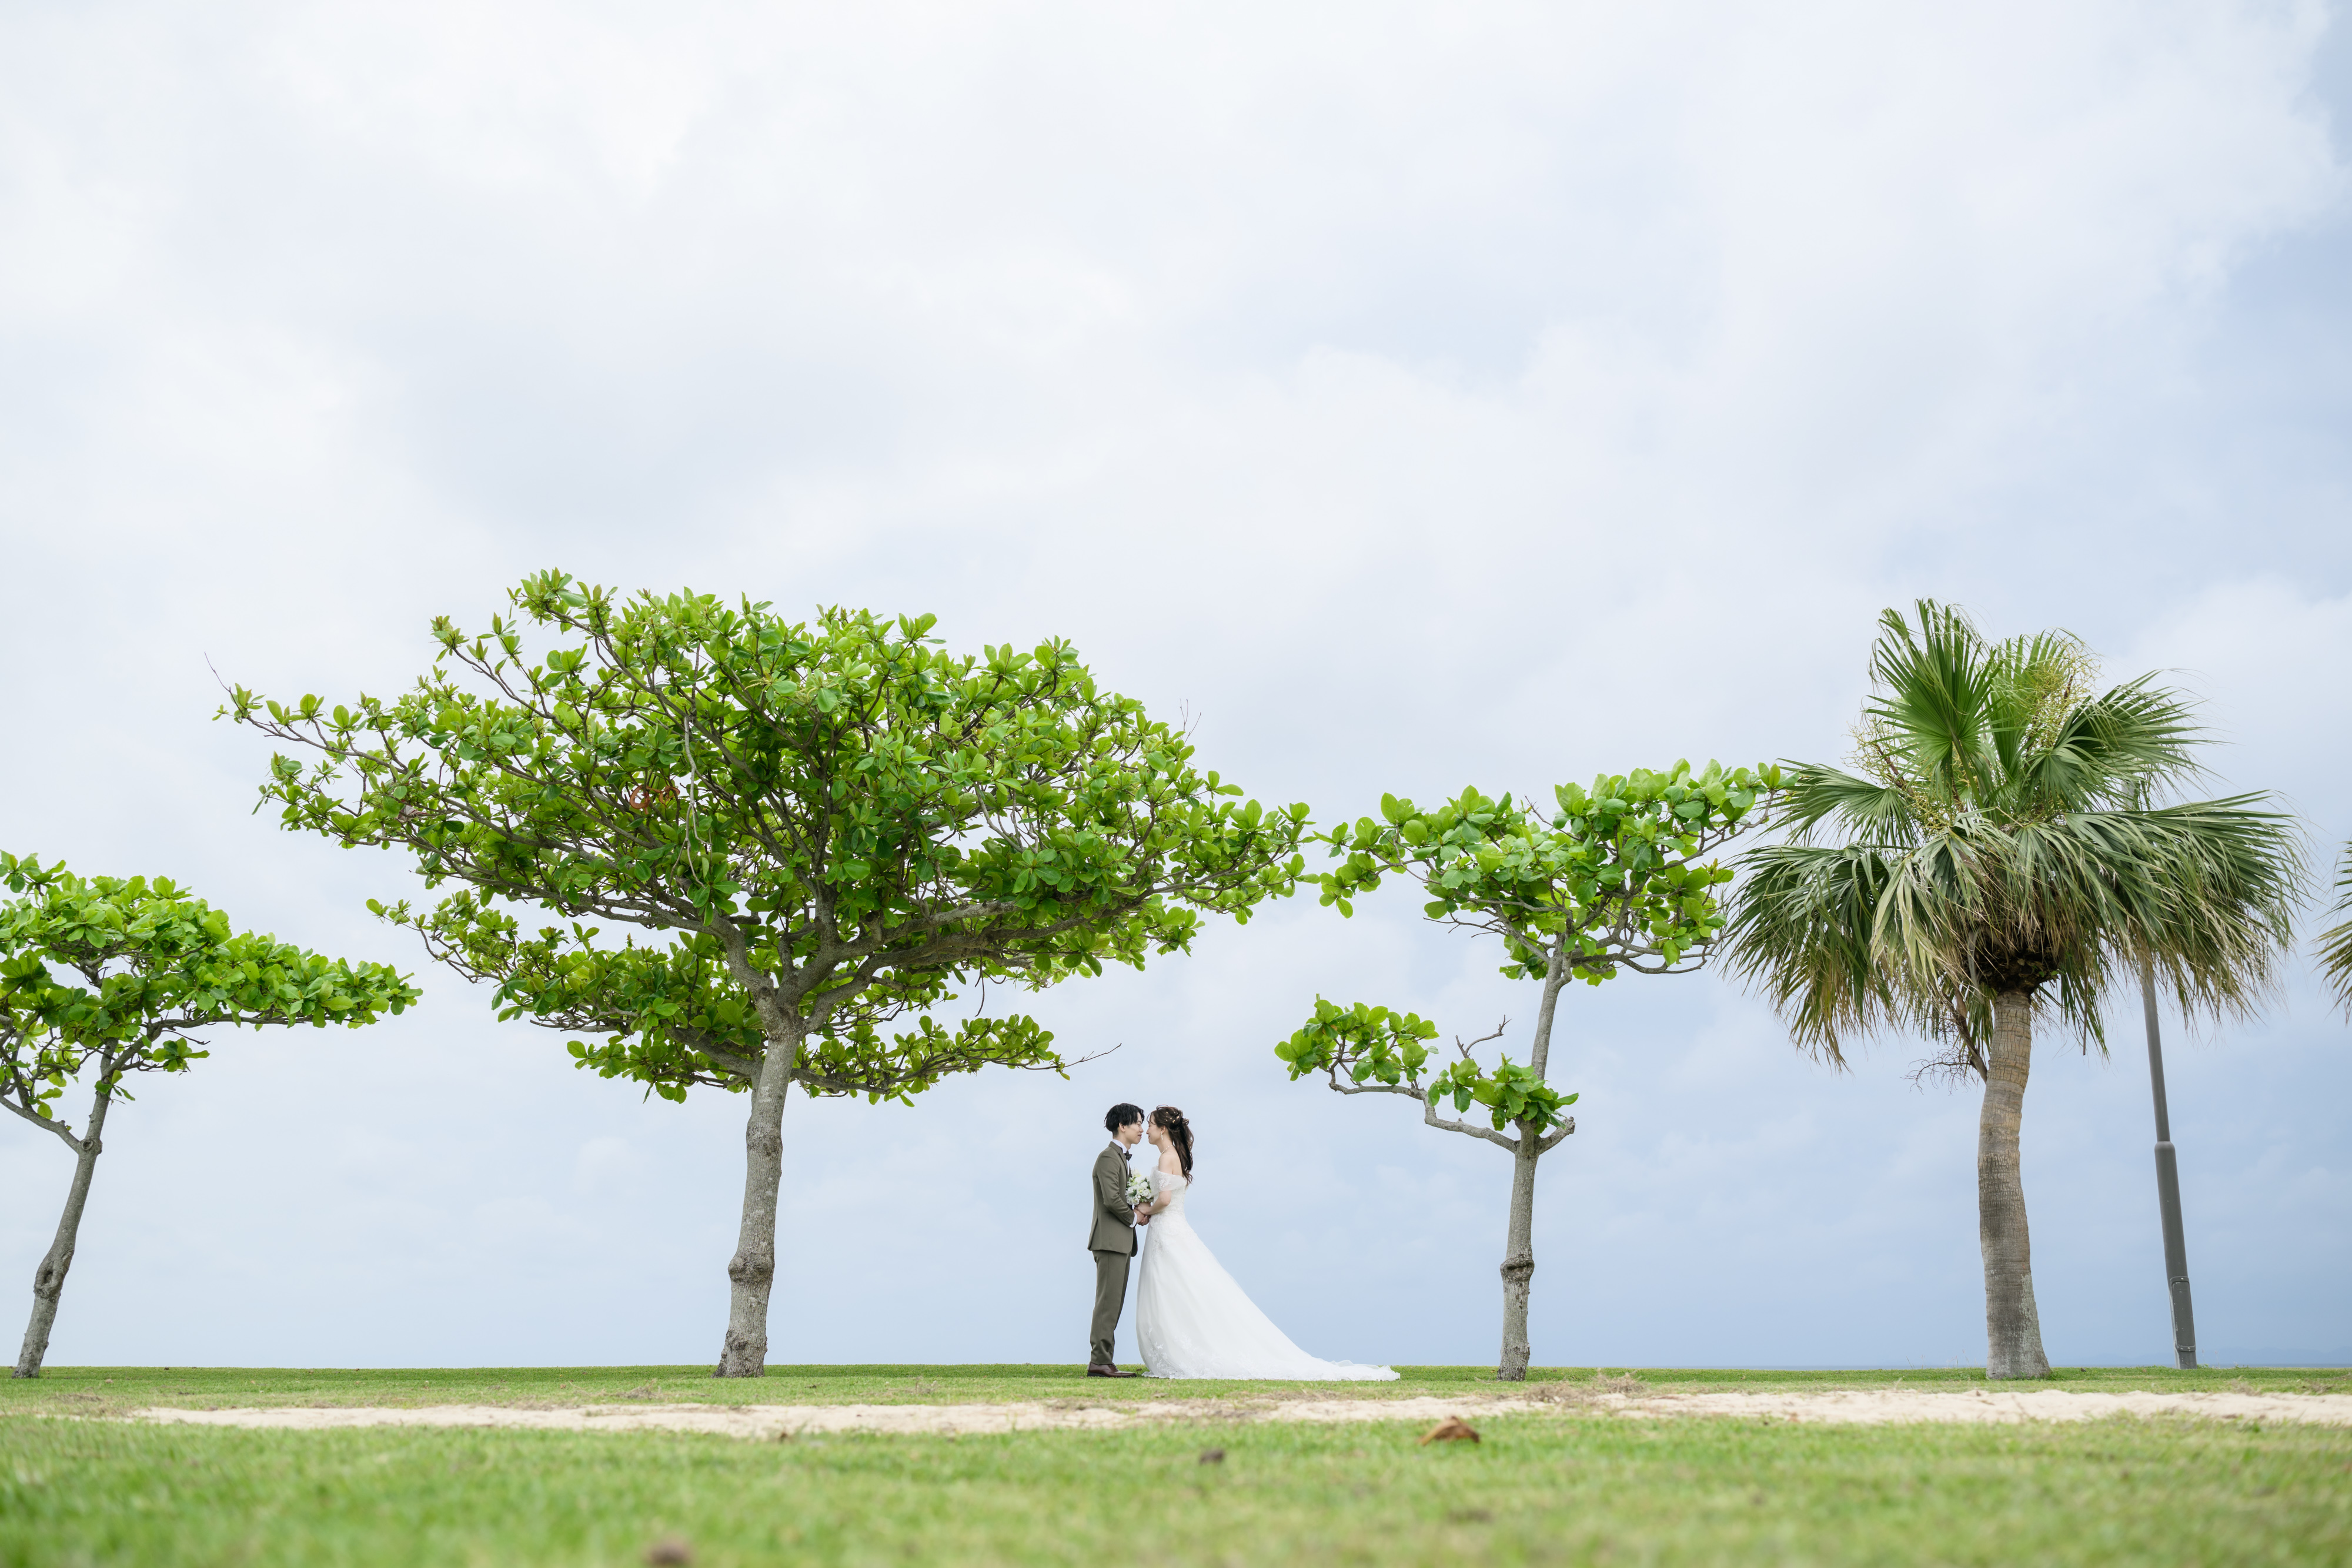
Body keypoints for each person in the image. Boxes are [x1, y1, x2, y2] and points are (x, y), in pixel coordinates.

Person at [1132, 1105, 1398, 1380]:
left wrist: (1144, 1210)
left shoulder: (1166, 1157)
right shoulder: (1173, 1155)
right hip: (1172, 1229)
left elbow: (1164, 1200)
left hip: (1168, 1231)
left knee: (1174, 1289)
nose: (1147, 1129)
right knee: (1180, 1290)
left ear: (1163, 1128)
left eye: (1150, 1124)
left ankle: (1181, 1352)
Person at [1085, 1103, 1147, 1377]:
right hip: (1110, 1240)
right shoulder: (1109, 1158)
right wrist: (1134, 1217)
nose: (1141, 1129)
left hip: (1119, 1241)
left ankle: (1104, 1360)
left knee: (1114, 1303)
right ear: (1122, 1126)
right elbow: (1112, 1199)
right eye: (1137, 1123)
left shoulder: (1121, 1158)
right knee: (1107, 1304)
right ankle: (1099, 1361)